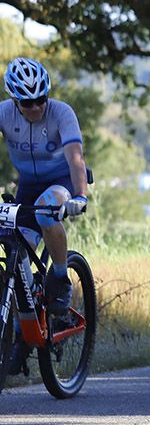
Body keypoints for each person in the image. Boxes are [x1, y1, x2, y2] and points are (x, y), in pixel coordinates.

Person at [2, 58, 91, 373]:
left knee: (47, 210)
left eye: (42, 98)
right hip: (27, 184)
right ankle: (19, 336)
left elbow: (76, 157)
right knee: (15, 251)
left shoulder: (62, 113)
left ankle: (60, 276)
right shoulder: (4, 113)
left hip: (61, 180)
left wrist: (80, 195)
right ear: (15, 101)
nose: (37, 106)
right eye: (28, 102)